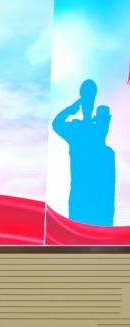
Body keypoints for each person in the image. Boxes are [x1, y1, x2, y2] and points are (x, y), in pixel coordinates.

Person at [52, 79, 116, 226]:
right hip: (81, 197)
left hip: (98, 200)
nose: (89, 103)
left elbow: (57, 123)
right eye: (87, 98)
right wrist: (73, 107)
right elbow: (56, 124)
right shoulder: (77, 130)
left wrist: (77, 107)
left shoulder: (95, 130)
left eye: (91, 98)